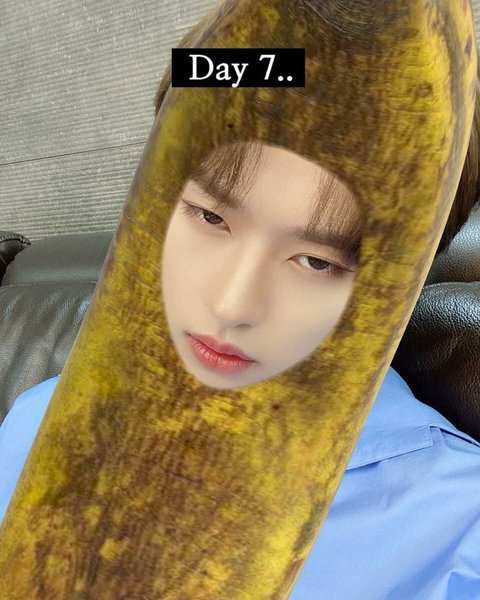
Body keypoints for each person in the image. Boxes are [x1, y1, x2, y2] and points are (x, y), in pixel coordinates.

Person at [2, 17, 480, 600]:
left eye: (317, 261)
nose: (230, 305)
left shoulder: (458, 532)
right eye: (210, 216)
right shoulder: (37, 419)